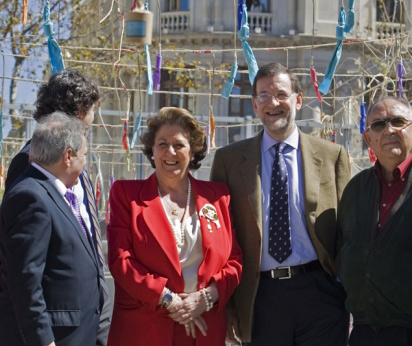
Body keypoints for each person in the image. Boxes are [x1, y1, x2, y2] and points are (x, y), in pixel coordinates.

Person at [210, 62, 350, 346]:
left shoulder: (332, 155)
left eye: (281, 94)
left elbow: (348, 232)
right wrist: (228, 307)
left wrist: (346, 293)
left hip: (320, 292)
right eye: (263, 95)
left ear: (298, 100)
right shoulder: (229, 161)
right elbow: (220, 240)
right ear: (254, 105)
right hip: (260, 297)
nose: (273, 103)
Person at [106, 107, 242, 346]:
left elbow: (234, 260)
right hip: (147, 328)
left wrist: (207, 297)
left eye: (179, 144)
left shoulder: (218, 197)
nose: (170, 152)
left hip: (204, 326)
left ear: (192, 150)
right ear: (152, 150)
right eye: (162, 144)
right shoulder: (126, 195)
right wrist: (169, 299)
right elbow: (121, 261)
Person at [2, 69, 112, 346]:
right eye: (86, 125)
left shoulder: (69, 162)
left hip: (85, 312)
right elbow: (23, 264)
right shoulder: (34, 163)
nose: (89, 130)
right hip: (56, 326)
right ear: (76, 112)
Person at [337, 96, 412, 346]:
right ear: (369, 139)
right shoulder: (355, 189)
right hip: (365, 332)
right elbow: (343, 249)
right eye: (378, 125)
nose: (389, 130)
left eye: (398, 121)